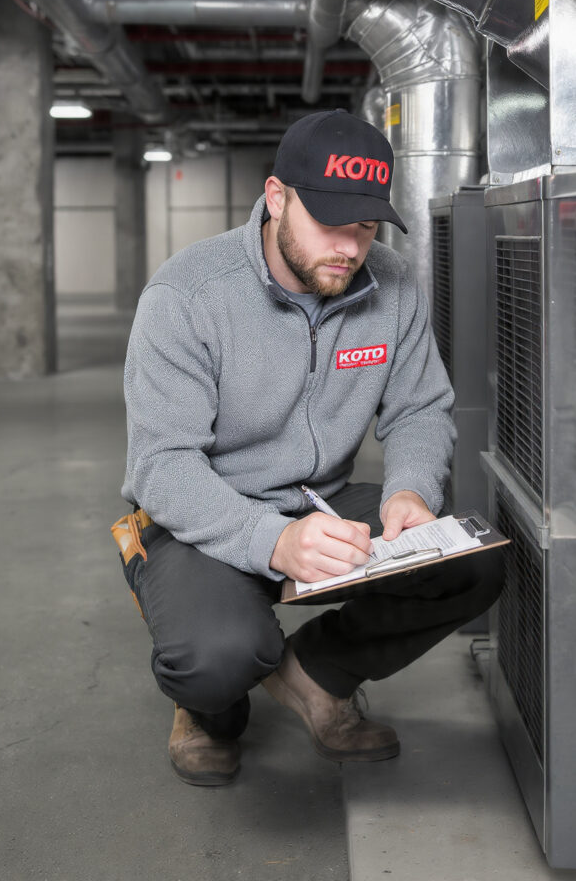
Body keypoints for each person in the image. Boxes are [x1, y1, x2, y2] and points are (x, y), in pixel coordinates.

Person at [120, 108, 504, 786]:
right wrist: (270, 542)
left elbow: (418, 407)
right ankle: (209, 714)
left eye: (365, 225)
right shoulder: (186, 296)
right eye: (329, 221)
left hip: (318, 502)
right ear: (276, 198)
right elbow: (163, 466)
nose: (350, 248)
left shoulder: (391, 285)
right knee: (220, 655)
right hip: (200, 518)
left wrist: (410, 490)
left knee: (473, 562)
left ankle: (315, 677)